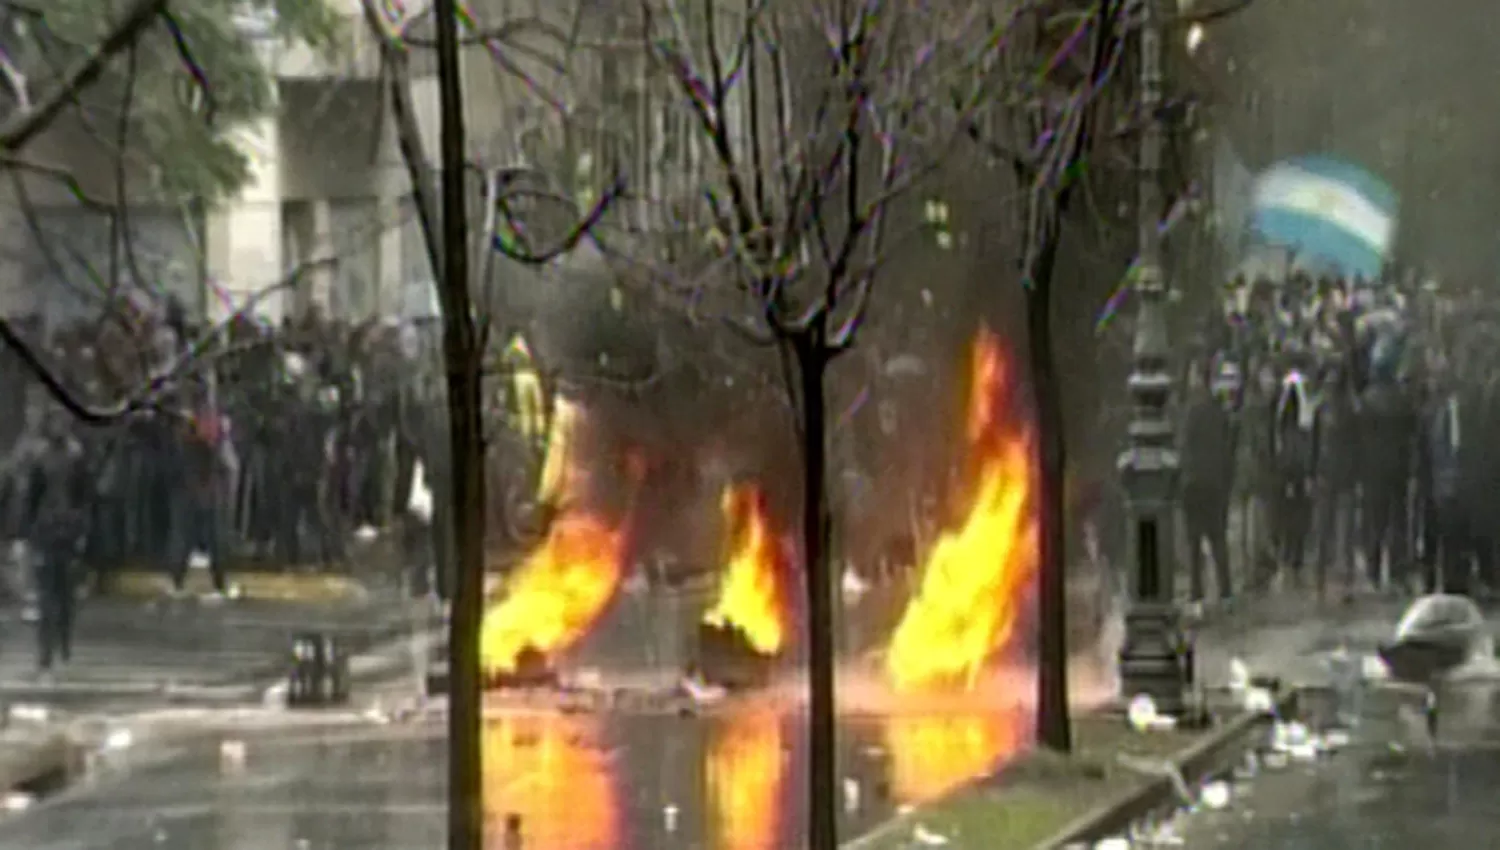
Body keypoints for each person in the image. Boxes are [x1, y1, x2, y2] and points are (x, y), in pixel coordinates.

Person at [22, 420, 90, 675]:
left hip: (64, 534)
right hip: (50, 532)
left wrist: (81, 530)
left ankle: (60, 644)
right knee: (50, 596)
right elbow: (32, 497)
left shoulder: (75, 456)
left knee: (62, 595)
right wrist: (29, 532)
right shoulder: (44, 458)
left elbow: (84, 496)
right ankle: (49, 650)